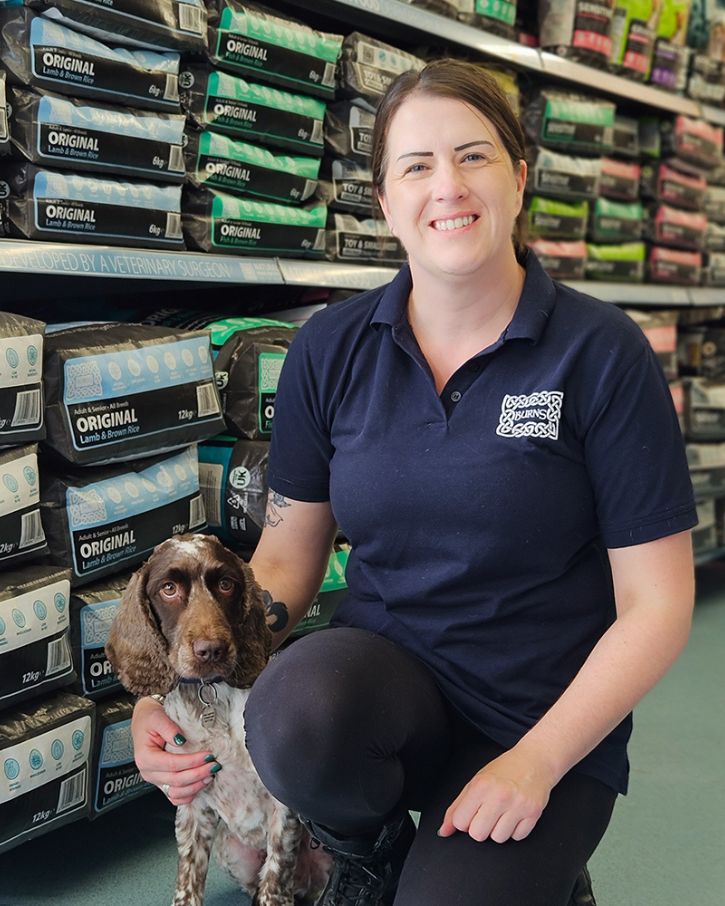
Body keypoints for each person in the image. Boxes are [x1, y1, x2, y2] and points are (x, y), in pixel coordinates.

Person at [131, 59, 697, 906]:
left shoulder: (601, 353)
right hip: (384, 689)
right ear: (386, 201)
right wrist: (178, 685)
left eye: (472, 156)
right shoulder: (329, 347)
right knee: (291, 711)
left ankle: (531, 866)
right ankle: (370, 849)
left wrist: (534, 765)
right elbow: (286, 556)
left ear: (519, 178)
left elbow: (657, 605)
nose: (448, 186)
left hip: (539, 713)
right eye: (416, 166)